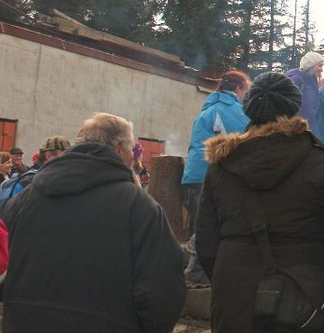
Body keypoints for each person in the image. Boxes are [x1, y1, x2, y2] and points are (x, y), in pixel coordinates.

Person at [195, 72, 324, 331]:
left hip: (234, 297)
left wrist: (231, 277)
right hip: (300, 296)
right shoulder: (320, 159)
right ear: (293, 106)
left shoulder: (222, 164)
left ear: (250, 108)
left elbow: (205, 242)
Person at [0, 112, 186, 332]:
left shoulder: (22, 200)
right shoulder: (141, 208)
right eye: (130, 150)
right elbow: (162, 289)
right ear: (118, 149)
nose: (132, 158)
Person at [182, 69, 251, 287]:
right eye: (245, 92)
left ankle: (196, 275)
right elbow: (242, 141)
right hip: (212, 176)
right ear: (238, 89)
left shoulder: (208, 107)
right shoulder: (231, 110)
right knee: (210, 226)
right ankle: (194, 268)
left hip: (195, 174)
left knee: (204, 224)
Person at [285, 51, 324, 132]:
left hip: (309, 126)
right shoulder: (297, 79)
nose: (321, 70)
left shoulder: (313, 80)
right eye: (320, 66)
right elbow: (288, 104)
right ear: (311, 65)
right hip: (297, 127)